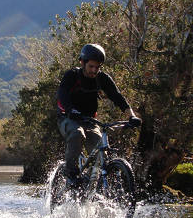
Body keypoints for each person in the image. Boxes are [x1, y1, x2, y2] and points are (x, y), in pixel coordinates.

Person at [56, 43, 141, 188]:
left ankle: (89, 184)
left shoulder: (102, 78)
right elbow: (62, 94)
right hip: (68, 118)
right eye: (91, 66)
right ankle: (70, 174)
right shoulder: (72, 75)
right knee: (77, 133)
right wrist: (71, 110)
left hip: (90, 120)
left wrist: (131, 116)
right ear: (82, 62)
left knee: (101, 151)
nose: (94, 71)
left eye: (98, 67)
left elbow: (117, 97)